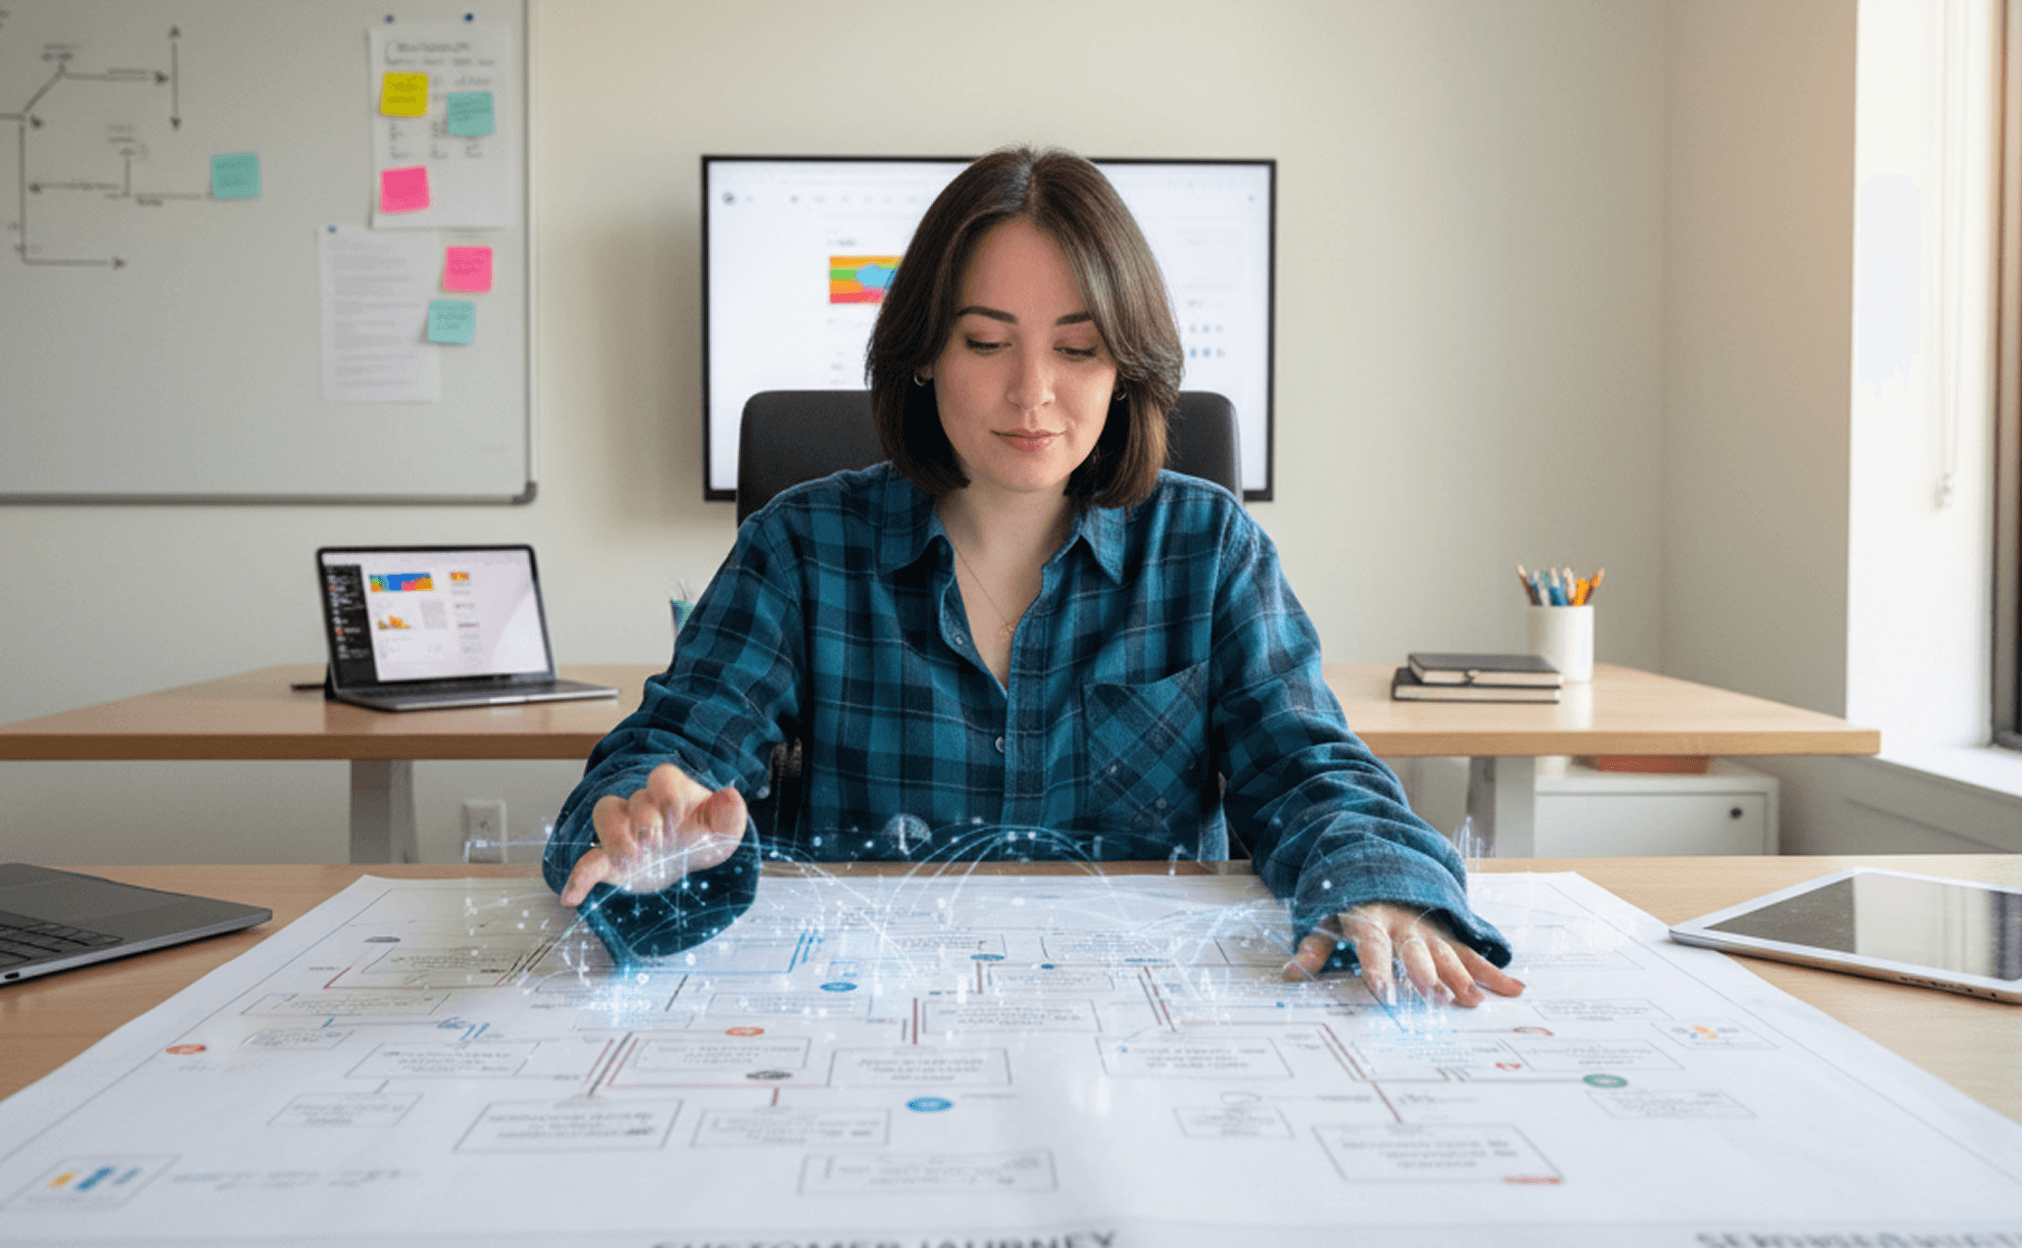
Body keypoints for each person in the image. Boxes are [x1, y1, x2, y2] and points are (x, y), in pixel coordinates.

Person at [545, 146, 1522, 1009]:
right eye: (985, 342)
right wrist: (644, 814)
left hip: (1144, 1016)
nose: (1032, 392)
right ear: (925, 352)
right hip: (865, 1008)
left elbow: (1307, 766)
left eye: (1078, 348)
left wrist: (1379, 878)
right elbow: (671, 748)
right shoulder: (802, 544)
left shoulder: (1205, 545)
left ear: (1125, 368)